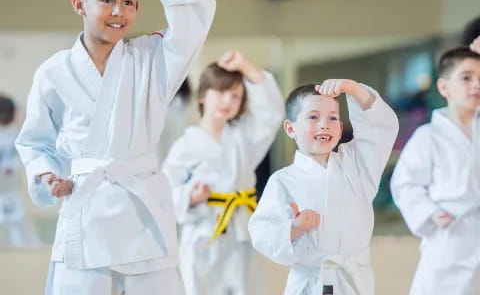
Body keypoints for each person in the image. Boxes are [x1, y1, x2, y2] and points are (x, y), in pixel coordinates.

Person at [15, 0, 215, 295]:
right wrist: (48, 176)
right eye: (107, 0)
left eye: (129, 2)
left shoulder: (154, 59)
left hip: (144, 218)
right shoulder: (54, 72)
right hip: (85, 209)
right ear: (79, 4)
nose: (119, 12)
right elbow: (35, 143)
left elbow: (194, 6)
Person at [249, 79, 399, 295]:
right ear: (291, 128)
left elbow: (381, 128)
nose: (324, 124)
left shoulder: (357, 165)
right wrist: (294, 228)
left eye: (332, 118)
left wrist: (352, 88)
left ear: (339, 128)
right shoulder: (282, 181)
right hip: (310, 283)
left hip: (354, 282)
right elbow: (261, 231)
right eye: (313, 117)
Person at [162, 50, 284, 295]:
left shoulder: (243, 137)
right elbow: (163, 193)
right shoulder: (186, 146)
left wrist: (245, 64)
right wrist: (189, 196)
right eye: (221, 93)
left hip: (240, 235)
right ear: (204, 96)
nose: (227, 101)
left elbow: (271, 113)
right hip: (202, 238)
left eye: (236, 95)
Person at [391, 46, 480, 294]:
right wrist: (429, 212)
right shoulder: (428, 136)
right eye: (466, 77)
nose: (476, 85)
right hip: (450, 236)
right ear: (443, 87)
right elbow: (405, 184)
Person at [0, 95, 40, 246]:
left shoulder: (16, 134)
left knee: (20, 230)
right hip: (7, 188)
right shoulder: (14, 134)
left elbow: (23, 116)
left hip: (12, 190)